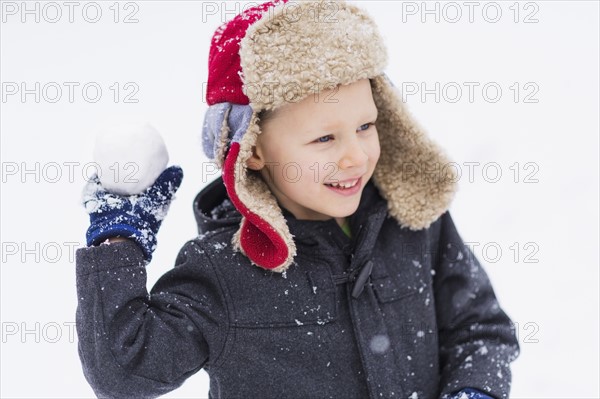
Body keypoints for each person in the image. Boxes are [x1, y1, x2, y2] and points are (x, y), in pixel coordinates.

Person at [76, 1, 520, 398]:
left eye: (366, 126)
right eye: (324, 138)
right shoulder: (222, 270)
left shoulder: (410, 221)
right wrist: (119, 240)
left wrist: (474, 390)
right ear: (252, 150)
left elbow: (480, 328)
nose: (355, 156)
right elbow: (125, 370)